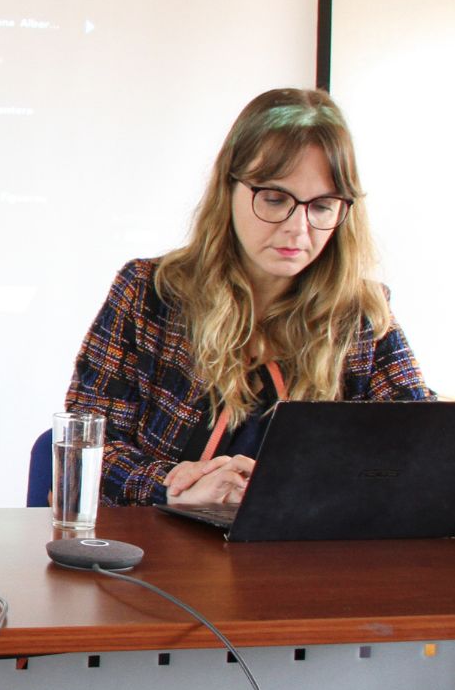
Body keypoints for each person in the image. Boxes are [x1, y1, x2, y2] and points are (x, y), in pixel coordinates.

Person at [65, 88, 432, 507]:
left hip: (300, 544)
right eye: (275, 199)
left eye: (322, 206)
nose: (298, 229)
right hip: (162, 541)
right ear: (228, 189)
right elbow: (84, 446)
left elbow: (420, 445)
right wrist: (173, 489)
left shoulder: (362, 311)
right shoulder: (149, 292)